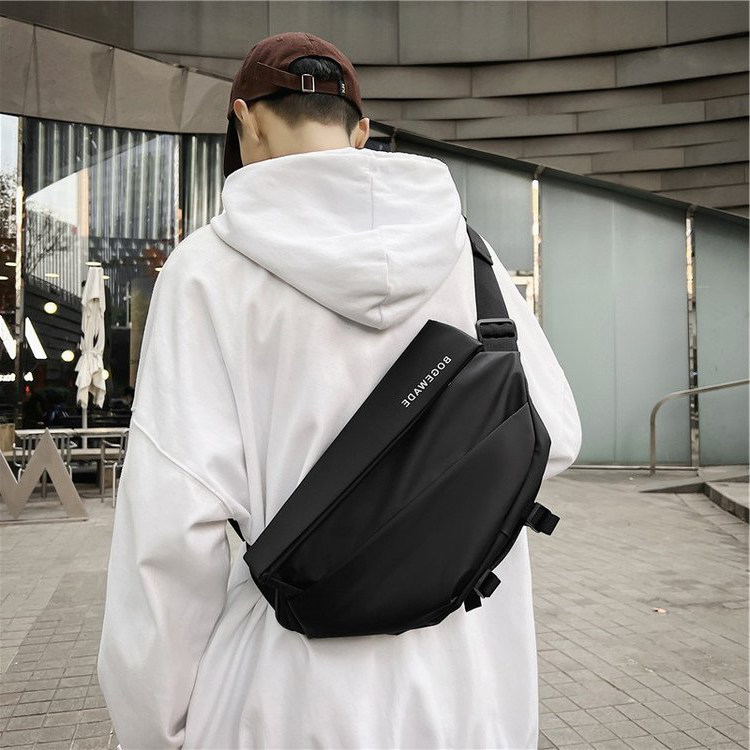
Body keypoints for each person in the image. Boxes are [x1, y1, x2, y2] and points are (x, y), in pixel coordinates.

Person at [97, 31, 582, 750]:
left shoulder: (205, 272)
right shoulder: (468, 252)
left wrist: (152, 730)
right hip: (469, 684)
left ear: (244, 120)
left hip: (286, 692)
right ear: (360, 132)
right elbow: (555, 437)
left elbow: (168, 535)